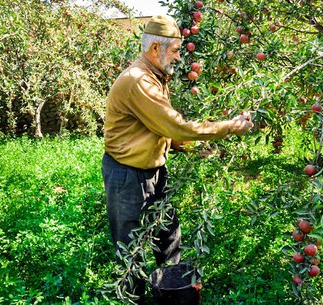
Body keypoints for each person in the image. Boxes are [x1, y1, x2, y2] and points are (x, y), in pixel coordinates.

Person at [101, 15, 253, 303]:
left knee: (168, 238)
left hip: (154, 170)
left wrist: (190, 147)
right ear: (155, 49)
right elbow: (174, 126)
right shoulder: (138, 81)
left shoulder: (156, 77)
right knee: (130, 248)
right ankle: (135, 300)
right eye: (175, 50)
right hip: (127, 175)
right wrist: (229, 127)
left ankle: (171, 294)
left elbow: (158, 130)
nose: (180, 57)